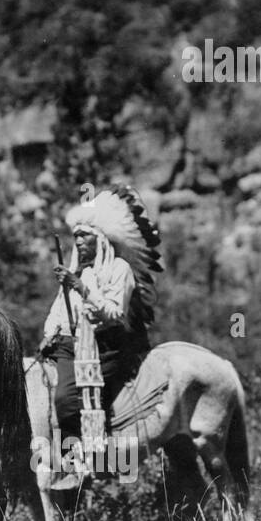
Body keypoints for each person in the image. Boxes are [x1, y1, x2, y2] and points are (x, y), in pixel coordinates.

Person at [39, 186, 160, 489]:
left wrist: (80, 287)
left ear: (101, 239)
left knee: (68, 399)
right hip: (72, 343)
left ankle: (93, 464)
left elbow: (115, 314)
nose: (78, 242)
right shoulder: (77, 272)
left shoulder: (120, 270)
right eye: (76, 237)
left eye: (85, 236)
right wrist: (50, 333)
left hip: (107, 346)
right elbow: (58, 310)